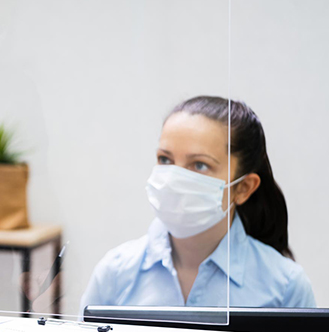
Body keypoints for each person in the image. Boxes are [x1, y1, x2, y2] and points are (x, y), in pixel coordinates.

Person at [80, 96, 315, 312]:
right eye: (165, 159)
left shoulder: (286, 288)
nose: (173, 179)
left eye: (199, 165)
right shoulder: (114, 274)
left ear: (243, 188)